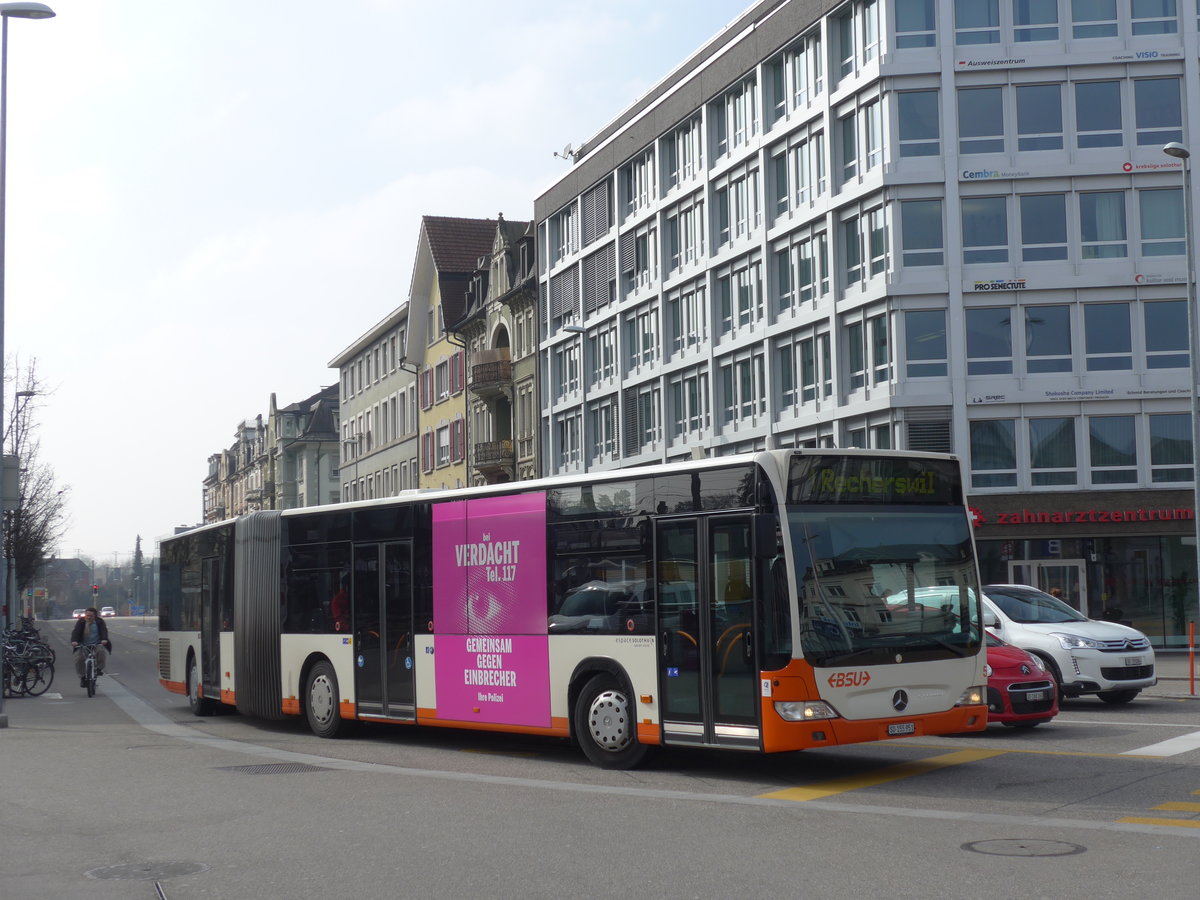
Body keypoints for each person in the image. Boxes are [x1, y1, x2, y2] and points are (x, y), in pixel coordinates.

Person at [71, 607, 112, 687]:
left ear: (95, 616)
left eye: (91, 616)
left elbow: (104, 631)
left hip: (97, 643)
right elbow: (76, 631)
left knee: (101, 651)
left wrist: (104, 639)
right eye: (87, 615)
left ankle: (99, 669)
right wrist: (74, 641)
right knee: (79, 659)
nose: (89, 617)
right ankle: (83, 677)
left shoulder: (99, 622)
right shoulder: (81, 622)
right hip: (83, 645)